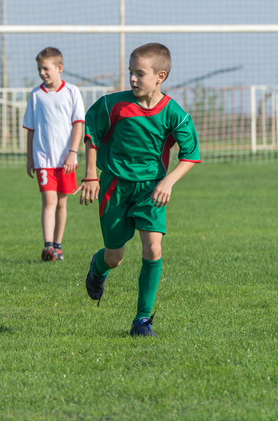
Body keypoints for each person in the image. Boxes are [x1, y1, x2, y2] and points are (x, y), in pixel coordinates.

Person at [73, 43, 201, 337]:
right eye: (130, 72)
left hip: (151, 190)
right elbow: (91, 133)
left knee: (153, 247)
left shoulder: (174, 113)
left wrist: (168, 181)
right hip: (115, 185)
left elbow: (191, 154)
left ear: (160, 76)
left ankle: (142, 321)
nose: (132, 79)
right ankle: (98, 268)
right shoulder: (112, 104)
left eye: (139, 74)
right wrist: (91, 174)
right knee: (115, 257)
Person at [23, 47, 85, 261]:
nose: (42, 73)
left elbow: (78, 124)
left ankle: (58, 246)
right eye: (40, 69)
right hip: (43, 159)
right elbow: (30, 128)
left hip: (66, 160)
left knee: (61, 202)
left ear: (59, 68)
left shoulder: (71, 92)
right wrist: (30, 157)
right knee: (49, 199)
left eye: (46, 69)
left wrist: (72, 153)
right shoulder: (36, 94)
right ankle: (48, 246)